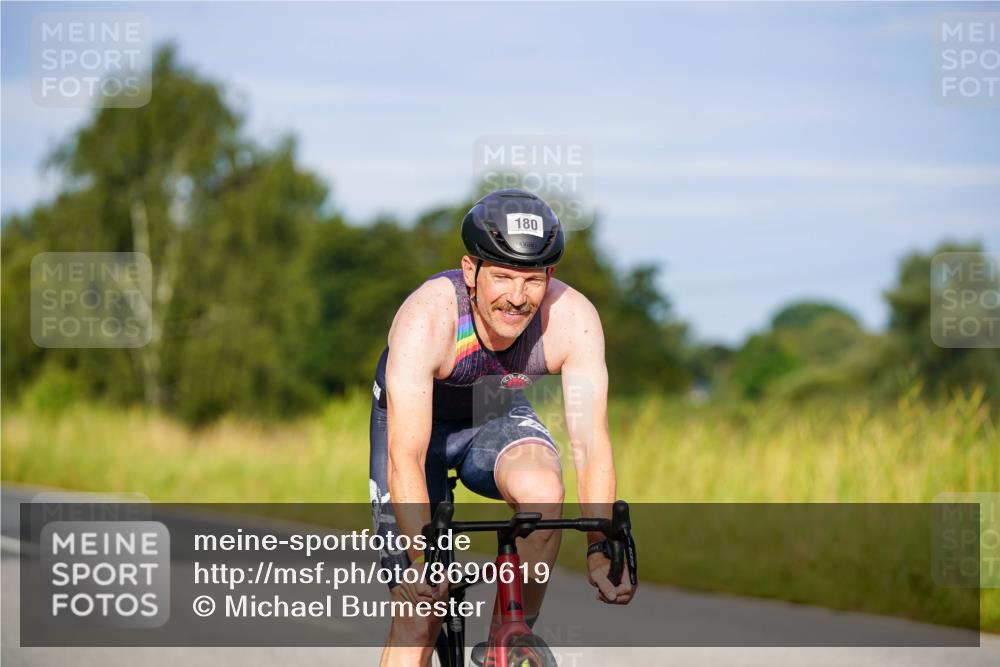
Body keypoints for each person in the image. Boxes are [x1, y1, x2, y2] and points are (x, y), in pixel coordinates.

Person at [369, 189, 636, 666]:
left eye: (532, 280)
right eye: (504, 277)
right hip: (416, 435)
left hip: (493, 414)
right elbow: (404, 455)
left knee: (543, 492)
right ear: (470, 271)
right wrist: (420, 560)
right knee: (419, 615)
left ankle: (506, 642)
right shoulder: (427, 317)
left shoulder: (573, 320)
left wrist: (601, 546)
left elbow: (591, 444)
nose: (517, 297)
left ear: (550, 275)